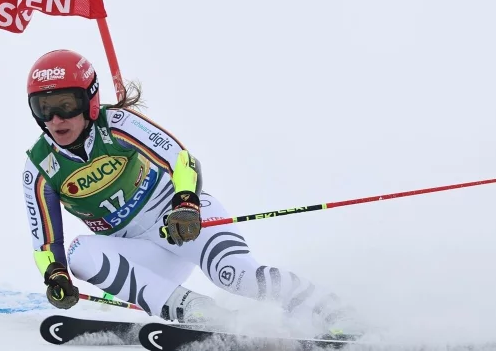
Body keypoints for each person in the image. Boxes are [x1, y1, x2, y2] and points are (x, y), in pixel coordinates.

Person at [21, 48, 364, 338]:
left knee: (235, 275)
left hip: (182, 226)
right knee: (80, 253)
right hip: (141, 254)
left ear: (89, 100)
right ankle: (197, 312)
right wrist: (56, 275)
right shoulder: (39, 167)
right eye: (42, 108)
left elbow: (182, 160)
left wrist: (185, 202)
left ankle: (331, 309)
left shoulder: (118, 125)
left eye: (65, 104)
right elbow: (46, 244)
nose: (54, 119)